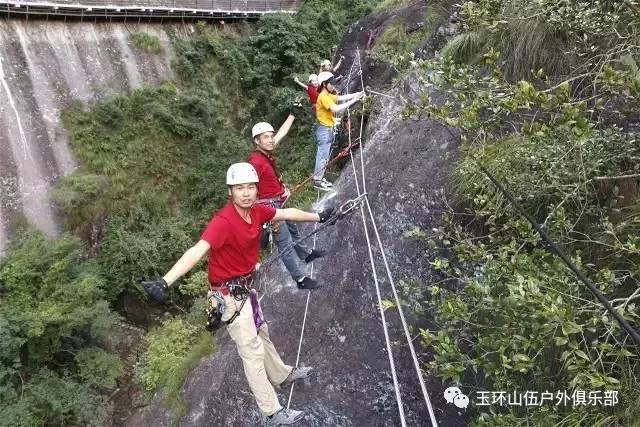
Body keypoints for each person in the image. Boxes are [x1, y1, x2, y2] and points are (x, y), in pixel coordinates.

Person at [141, 163, 336, 425]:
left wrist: (318, 217)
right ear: (230, 192)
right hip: (229, 297)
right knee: (251, 352)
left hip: (244, 289)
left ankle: (281, 375)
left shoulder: (256, 211)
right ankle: (272, 413)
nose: (246, 193)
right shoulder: (223, 221)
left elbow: (285, 212)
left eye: (250, 187)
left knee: (262, 333)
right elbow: (198, 250)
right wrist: (166, 281)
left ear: (257, 189)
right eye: (239, 188)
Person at [249, 119, 326, 290]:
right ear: (257, 141)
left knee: (294, 230)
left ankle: (305, 254)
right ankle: (300, 279)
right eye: (265, 137)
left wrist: (292, 115)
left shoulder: (264, 155)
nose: (270, 140)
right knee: (285, 244)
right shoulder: (255, 162)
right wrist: (270, 216)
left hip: (279, 201)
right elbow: (250, 192)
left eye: (271, 136)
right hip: (271, 208)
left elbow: (281, 134)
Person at [313, 71, 365, 191]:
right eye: (331, 83)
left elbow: (340, 98)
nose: (333, 85)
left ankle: (319, 178)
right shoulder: (323, 97)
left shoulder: (327, 95)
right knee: (322, 156)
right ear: (325, 84)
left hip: (327, 128)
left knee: (325, 156)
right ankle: (317, 181)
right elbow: (336, 107)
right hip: (324, 130)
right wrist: (354, 100)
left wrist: (356, 94)